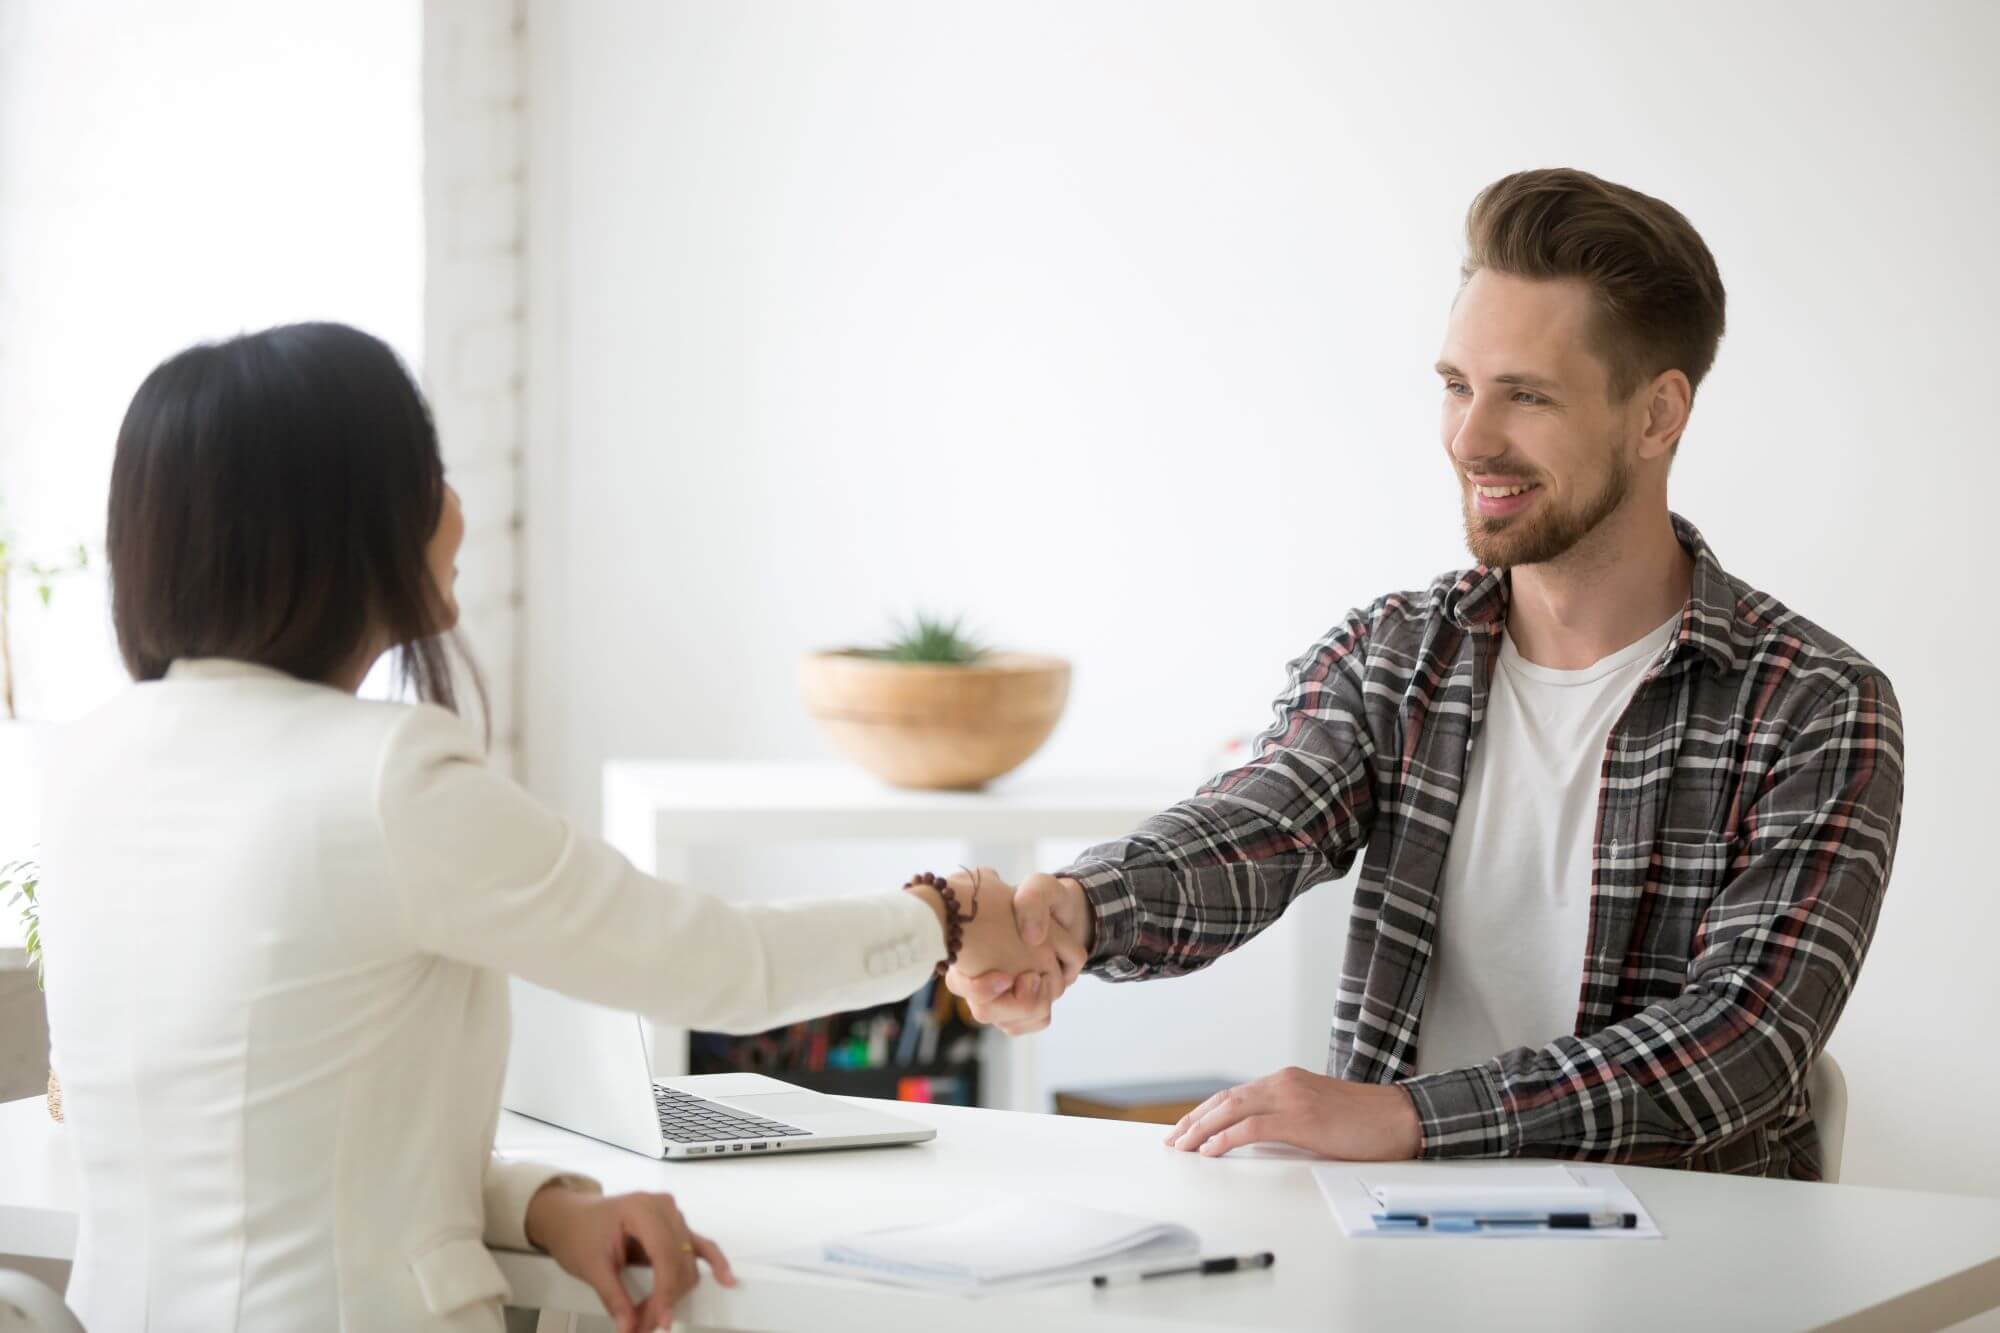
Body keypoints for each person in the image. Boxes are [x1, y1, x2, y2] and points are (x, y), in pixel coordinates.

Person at [36, 322, 1070, 1333]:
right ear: (350, 519)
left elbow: (275, 1152)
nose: (452, 508)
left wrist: (545, 1203)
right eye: (427, 472)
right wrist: (942, 914)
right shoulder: (385, 775)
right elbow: (718, 963)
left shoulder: (86, 763)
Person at [950, 167, 1904, 1181]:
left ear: (1657, 415)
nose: (1468, 438)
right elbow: (1257, 822)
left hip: (1681, 1266)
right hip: (1396, 1254)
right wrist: (1078, 911)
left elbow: (1736, 1048)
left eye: (1524, 396)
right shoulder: (1397, 653)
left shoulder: (1816, 707)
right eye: (1455, 385)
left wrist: (1406, 1118)